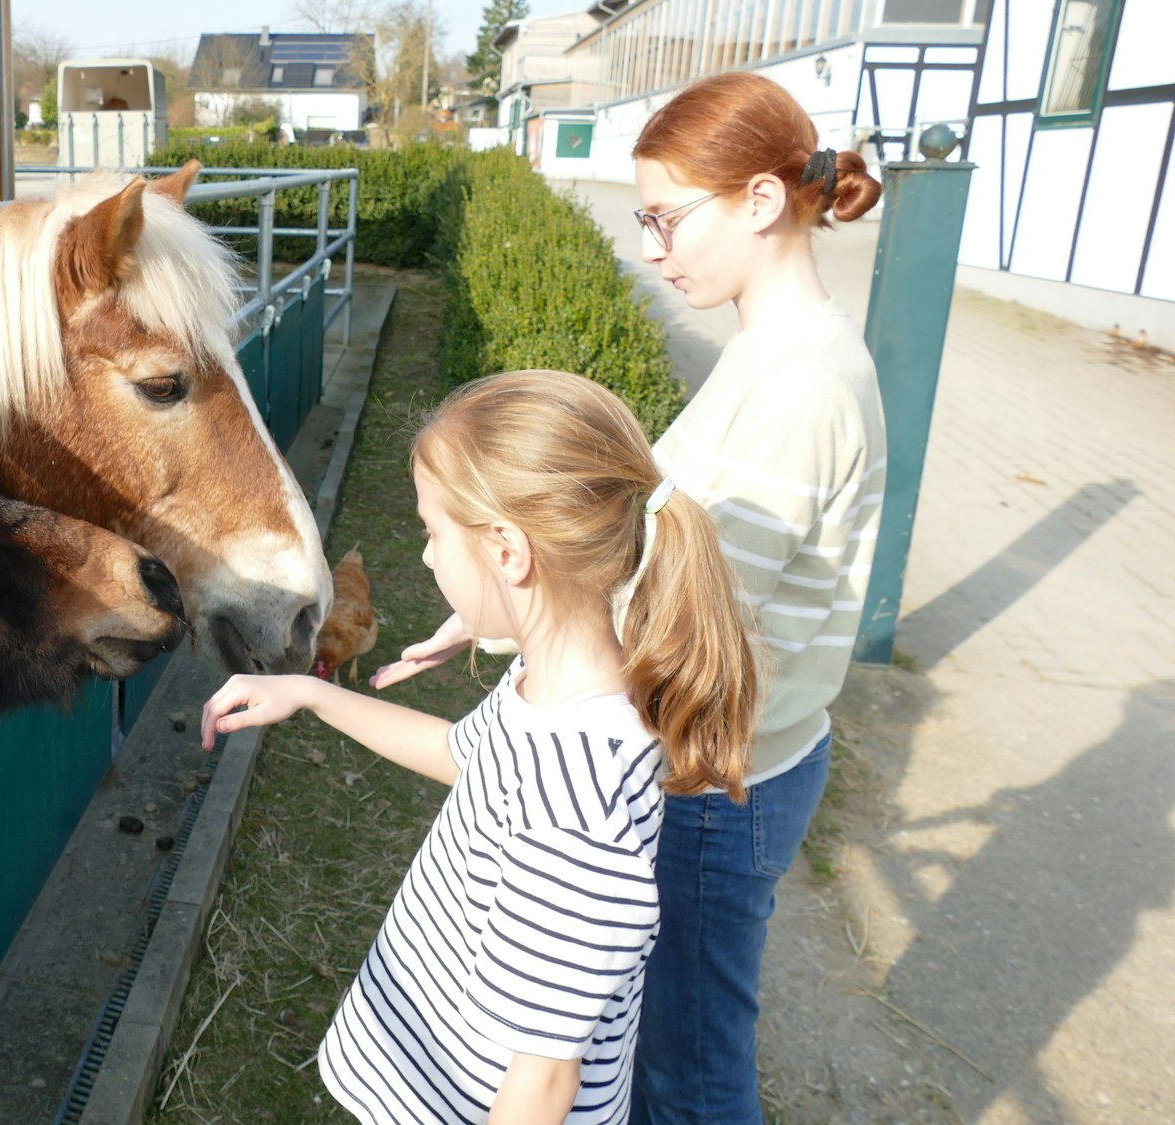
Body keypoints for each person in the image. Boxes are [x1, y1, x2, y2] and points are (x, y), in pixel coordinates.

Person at [370, 72, 887, 1124]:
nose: (649, 248)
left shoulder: (796, 387)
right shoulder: (774, 351)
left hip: (709, 777)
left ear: (754, 200)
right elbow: (668, 548)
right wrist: (482, 613)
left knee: (685, 1069)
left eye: (664, 218)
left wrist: (526, 623)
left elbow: (686, 607)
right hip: (727, 754)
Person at [201, 369, 760, 1124]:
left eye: (433, 532)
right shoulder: (552, 688)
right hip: (430, 1079)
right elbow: (466, 756)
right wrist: (312, 693)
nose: (427, 558)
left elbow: (544, 1082)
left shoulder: (577, 802)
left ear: (507, 550)